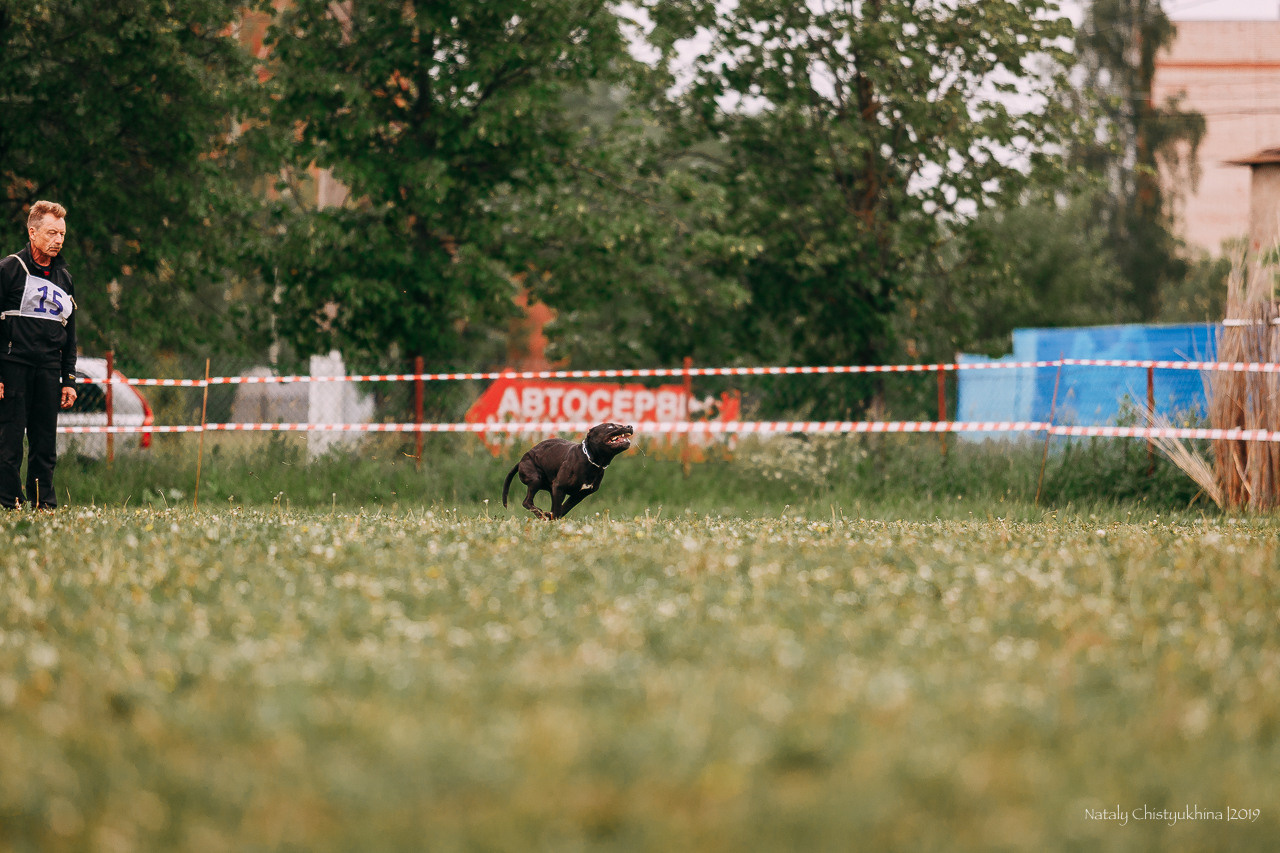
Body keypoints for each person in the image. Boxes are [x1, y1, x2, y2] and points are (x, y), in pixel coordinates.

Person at [0, 201, 78, 509]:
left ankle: (43, 503)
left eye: (62, 233)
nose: (58, 239)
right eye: (51, 233)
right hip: (13, 366)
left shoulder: (65, 277)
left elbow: (70, 334)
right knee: (9, 442)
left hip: (48, 369)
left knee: (45, 443)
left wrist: (69, 379)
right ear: (33, 233)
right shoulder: (9, 269)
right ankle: (10, 502)